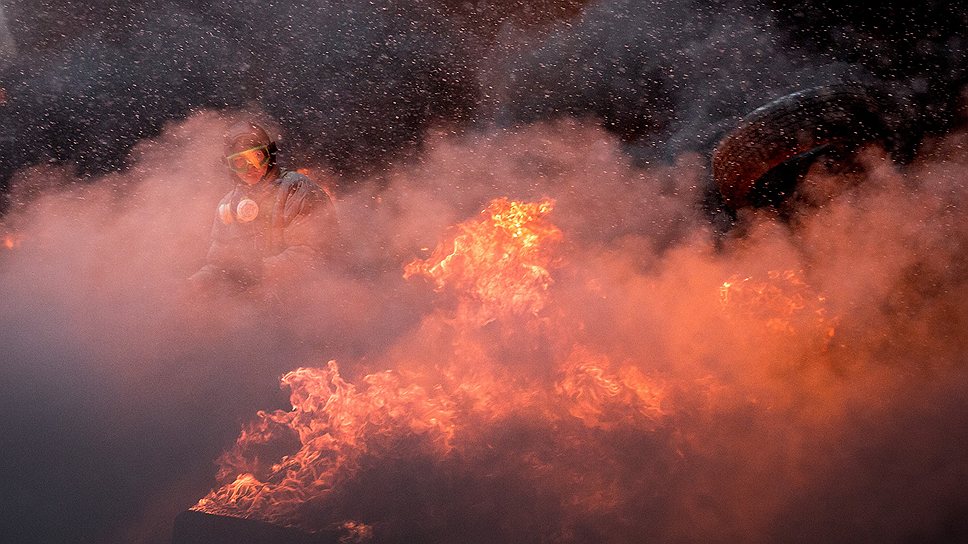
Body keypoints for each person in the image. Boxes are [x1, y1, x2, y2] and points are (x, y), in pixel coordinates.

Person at [189, 121, 338, 293]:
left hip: (307, 300)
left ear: (270, 155)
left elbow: (311, 254)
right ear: (230, 167)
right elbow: (218, 264)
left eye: (256, 157)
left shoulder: (296, 189)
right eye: (239, 162)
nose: (250, 167)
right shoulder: (229, 204)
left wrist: (253, 273)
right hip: (256, 304)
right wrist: (194, 285)